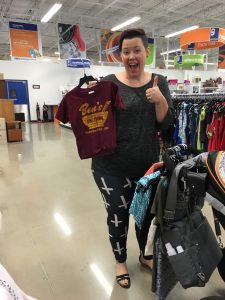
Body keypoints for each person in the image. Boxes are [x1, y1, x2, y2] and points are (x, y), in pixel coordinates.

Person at [91, 28, 174, 289]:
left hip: (147, 168)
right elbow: (93, 120)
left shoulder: (159, 81)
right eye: (126, 51)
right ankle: (120, 261)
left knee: (146, 218)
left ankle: (144, 255)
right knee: (117, 216)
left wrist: (160, 101)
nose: (131, 56)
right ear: (120, 55)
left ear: (146, 52)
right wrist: (90, 96)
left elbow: (166, 127)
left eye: (136, 50)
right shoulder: (108, 82)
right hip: (110, 167)